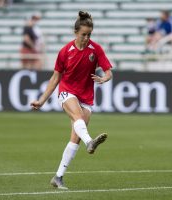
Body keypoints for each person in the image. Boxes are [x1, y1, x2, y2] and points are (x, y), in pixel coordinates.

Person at [30, 11, 113, 189]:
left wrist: (105, 78)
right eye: (83, 34)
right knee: (79, 119)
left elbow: (108, 71)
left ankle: (58, 177)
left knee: (75, 137)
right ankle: (90, 141)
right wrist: (42, 100)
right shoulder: (65, 52)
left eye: (89, 35)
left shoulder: (96, 49)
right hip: (67, 92)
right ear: (75, 33)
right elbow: (55, 78)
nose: (86, 38)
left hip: (87, 97)